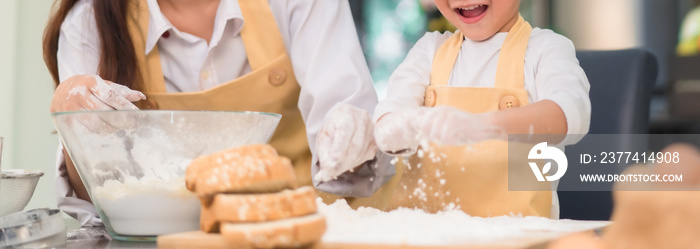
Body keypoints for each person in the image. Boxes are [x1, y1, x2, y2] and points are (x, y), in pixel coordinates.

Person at [43, 0, 392, 226]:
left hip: (298, 229)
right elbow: (99, 200)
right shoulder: (88, 22)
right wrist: (74, 128)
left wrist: (352, 140)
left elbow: (350, 144)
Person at [371, 0, 591, 218]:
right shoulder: (429, 50)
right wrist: (384, 128)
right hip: (430, 232)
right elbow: (395, 107)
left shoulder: (544, 49)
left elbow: (570, 113)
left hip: (519, 233)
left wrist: (483, 126)